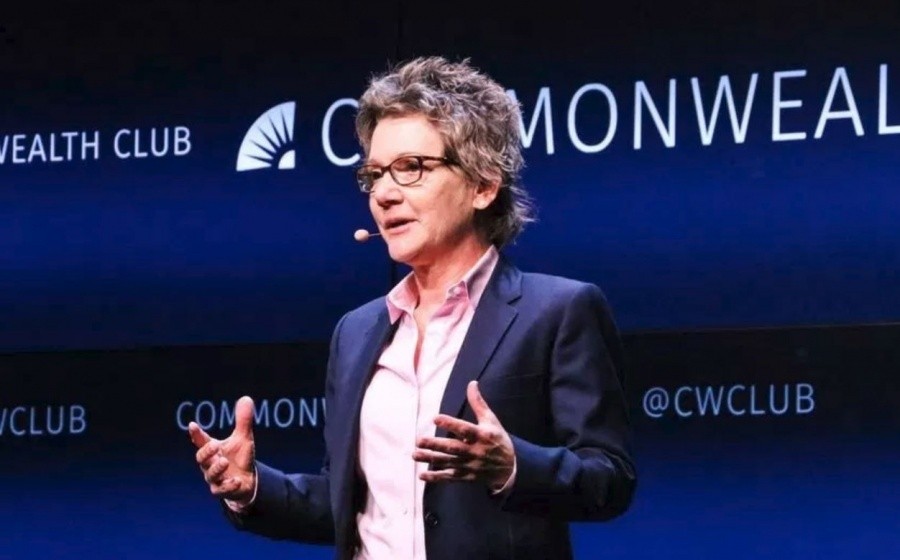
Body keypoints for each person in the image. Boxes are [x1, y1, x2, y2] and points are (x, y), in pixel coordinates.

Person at [189, 56, 636, 560]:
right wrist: (252, 487)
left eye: (411, 168)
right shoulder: (356, 331)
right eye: (374, 174)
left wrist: (513, 464)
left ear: (483, 185)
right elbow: (351, 506)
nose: (383, 193)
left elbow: (609, 479)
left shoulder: (557, 311)